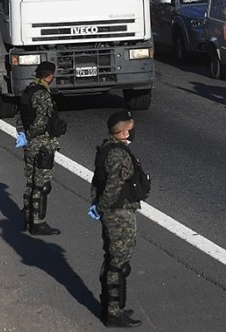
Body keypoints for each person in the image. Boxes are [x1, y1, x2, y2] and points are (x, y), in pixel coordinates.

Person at [90, 110, 147, 328]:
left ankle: (111, 305)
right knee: (118, 264)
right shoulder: (117, 154)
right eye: (130, 129)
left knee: (113, 260)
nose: (133, 133)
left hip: (114, 210)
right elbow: (113, 186)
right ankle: (113, 312)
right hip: (118, 213)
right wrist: (102, 207)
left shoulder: (108, 148)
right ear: (123, 132)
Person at [16, 61, 66, 236]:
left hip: (29, 144)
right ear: (50, 76)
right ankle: (38, 222)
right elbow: (42, 121)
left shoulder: (28, 91)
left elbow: (20, 117)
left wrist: (23, 135)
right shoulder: (43, 95)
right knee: (42, 184)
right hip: (42, 143)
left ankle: (27, 217)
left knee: (30, 181)